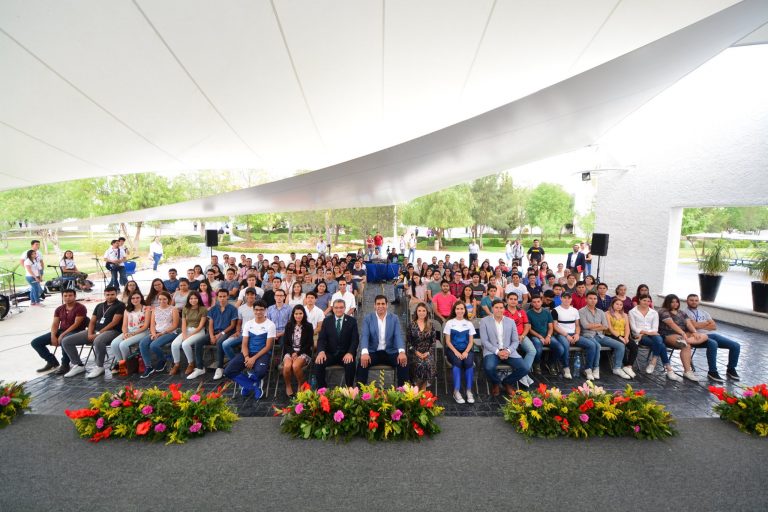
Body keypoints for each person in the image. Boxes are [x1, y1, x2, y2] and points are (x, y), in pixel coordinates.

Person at [62, 287, 125, 378]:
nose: (110, 297)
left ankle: (99, 366)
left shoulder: (120, 305)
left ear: (116, 294)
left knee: (98, 341)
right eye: (107, 294)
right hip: (95, 330)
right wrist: (90, 333)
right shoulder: (99, 306)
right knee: (66, 341)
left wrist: (98, 333)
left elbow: (114, 322)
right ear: (104, 295)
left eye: (112, 294)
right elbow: (92, 321)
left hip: (113, 331)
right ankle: (78, 365)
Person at [225, 299, 275, 399]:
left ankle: (252, 380)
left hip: (262, 354)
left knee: (260, 372)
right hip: (247, 353)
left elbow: (268, 346)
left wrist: (253, 358)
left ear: (265, 310)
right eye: (256, 310)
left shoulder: (270, 325)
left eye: (261, 310)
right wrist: (247, 357)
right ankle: (251, 384)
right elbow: (244, 344)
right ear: (253, 310)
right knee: (228, 371)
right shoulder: (248, 324)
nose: (258, 312)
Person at [684, 293, 740, 382]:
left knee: (735, 345)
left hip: (711, 335)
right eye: (691, 300)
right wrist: (706, 323)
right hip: (697, 337)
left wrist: (699, 325)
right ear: (687, 301)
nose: (694, 302)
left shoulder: (704, 312)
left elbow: (714, 326)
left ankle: (731, 369)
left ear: (698, 302)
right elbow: (693, 325)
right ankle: (712, 372)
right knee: (713, 344)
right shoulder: (684, 313)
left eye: (696, 300)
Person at [480, 299, 531, 397]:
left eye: (501, 308)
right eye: (496, 308)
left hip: (509, 351)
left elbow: (515, 340)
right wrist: (497, 352)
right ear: (492, 309)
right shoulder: (484, 321)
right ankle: (496, 383)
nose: (499, 310)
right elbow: (484, 341)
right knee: (488, 367)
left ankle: (507, 382)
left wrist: (507, 350)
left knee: (525, 368)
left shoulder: (510, 321)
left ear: (504, 309)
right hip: (492, 351)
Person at [30, 288, 87, 374]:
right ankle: (52, 362)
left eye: (70, 295)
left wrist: (62, 335)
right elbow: (55, 324)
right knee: (35, 342)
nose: (67, 298)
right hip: (61, 331)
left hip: (76, 331)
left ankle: (65, 364)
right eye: (65, 296)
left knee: (64, 339)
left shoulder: (80, 308)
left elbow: (76, 324)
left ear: (75, 296)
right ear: (62, 297)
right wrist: (53, 336)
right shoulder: (59, 309)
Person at [356, 295, 409, 386]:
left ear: (387, 305)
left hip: (390, 352)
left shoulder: (394, 318)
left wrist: (401, 351)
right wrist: (364, 352)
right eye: (378, 304)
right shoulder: (368, 318)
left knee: (403, 362)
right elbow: (365, 336)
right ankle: (360, 393)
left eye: (383, 304)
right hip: (374, 352)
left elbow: (398, 336)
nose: (381, 306)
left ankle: (402, 393)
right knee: (362, 363)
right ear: (374, 305)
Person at [628, 294, 682, 382]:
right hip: (639, 335)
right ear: (639, 300)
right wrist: (645, 333)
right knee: (661, 345)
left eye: (648, 301)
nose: (646, 303)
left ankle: (653, 361)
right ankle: (669, 369)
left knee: (658, 340)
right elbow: (634, 328)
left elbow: (655, 328)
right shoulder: (632, 312)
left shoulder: (654, 312)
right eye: (644, 300)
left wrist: (650, 332)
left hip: (652, 334)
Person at [579, 291, 631, 380]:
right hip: (588, 336)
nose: (593, 300)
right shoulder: (581, 311)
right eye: (590, 298)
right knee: (597, 346)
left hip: (600, 336)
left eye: (595, 298)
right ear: (586, 299)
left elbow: (606, 326)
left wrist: (593, 326)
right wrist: (599, 325)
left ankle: (617, 368)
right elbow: (585, 326)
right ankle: (595, 368)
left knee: (620, 345)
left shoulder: (600, 312)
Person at [189, 289, 238, 380]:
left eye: (224, 296)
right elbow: (210, 324)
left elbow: (232, 325)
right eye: (220, 296)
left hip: (227, 332)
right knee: (198, 342)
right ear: (217, 297)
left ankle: (219, 368)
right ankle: (200, 368)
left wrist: (220, 334)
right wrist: (211, 336)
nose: (222, 298)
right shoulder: (213, 309)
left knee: (219, 342)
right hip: (214, 332)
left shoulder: (233, 309)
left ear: (228, 297)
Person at [659, 294, 708, 382]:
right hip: (669, 334)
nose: (675, 304)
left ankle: (687, 340)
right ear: (667, 302)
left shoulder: (682, 312)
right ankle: (687, 372)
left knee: (704, 336)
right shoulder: (663, 311)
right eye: (672, 302)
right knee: (686, 345)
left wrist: (694, 332)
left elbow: (689, 324)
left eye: (677, 302)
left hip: (684, 335)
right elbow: (671, 324)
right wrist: (682, 333)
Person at [315, 299, 359, 388]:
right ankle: (322, 390)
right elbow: (322, 339)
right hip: (330, 354)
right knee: (318, 363)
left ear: (345, 308)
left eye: (341, 307)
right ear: (333, 309)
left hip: (346, 354)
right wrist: (321, 352)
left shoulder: (352, 321)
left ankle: (349, 389)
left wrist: (350, 353)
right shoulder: (327, 321)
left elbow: (355, 340)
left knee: (350, 364)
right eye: (336, 308)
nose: (339, 310)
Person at [137, 291, 179, 377]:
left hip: (169, 332)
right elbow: (152, 324)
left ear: (169, 300)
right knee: (142, 343)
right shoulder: (155, 309)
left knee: (154, 345)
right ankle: (148, 367)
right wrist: (153, 334)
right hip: (156, 332)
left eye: (164, 299)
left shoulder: (173, 309)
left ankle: (163, 359)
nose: (162, 301)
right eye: (160, 299)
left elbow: (175, 325)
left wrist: (161, 333)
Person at [168, 291, 209, 376]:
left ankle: (191, 363)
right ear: (188, 299)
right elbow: (183, 323)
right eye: (191, 298)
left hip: (199, 331)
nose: (193, 300)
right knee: (174, 344)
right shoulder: (185, 309)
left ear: (198, 299)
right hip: (187, 330)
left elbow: (201, 326)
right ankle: (176, 364)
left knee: (185, 344)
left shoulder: (203, 309)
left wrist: (190, 335)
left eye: (195, 298)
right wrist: (184, 334)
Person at [552, 293, 591, 380]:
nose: (566, 300)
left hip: (574, 334)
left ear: (571, 299)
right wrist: (566, 335)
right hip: (561, 334)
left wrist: (577, 334)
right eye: (564, 298)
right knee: (565, 344)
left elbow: (577, 325)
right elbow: (555, 326)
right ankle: (566, 368)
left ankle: (588, 368)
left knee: (591, 345)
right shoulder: (555, 310)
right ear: (561, 299)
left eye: (568, 298)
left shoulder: (575, 310)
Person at [443, 301, 476, 404]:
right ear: (454, 310)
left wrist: (466, 351)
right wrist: (456, 351)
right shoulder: (449, 323)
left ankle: (469, 391)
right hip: (453, 349)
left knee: (468, 363)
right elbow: (447, 341)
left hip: (466, 349)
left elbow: (471, 341)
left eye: (462, 309)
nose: (460, 311)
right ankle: (456, 391)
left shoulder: (469, 323)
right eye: (458, 309)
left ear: (465, 310)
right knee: (457, 362)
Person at [281, 305, 314, 396]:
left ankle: (301, 384)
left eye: (300, 313)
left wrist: (298, 353)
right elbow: (286, 342)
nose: (298, 316)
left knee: (295, 366)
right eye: (296, 314)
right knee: (287, 366)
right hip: (290, 351)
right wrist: (292, 353)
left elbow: (309, 343)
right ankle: (288, 385)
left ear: (304, 314)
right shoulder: (288, 325)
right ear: (293, 314)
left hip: (303, 352)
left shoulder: (308, 326)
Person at [111, 291, 150, 367]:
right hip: (129, 331)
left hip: (142, 331)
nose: (135, 300)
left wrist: (132, 334)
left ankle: (129, 364)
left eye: (137, 298)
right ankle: (121, 364)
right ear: (130, 300)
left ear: (141, 298)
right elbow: (124, 325)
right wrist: (125, 334)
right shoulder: (127, 310)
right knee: (114, 344)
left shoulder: (146, 309)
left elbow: (145, 326)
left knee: (123, 345)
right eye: (133, 298)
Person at [527, 294, 560, 376]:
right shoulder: (528, 313)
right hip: (535, 336)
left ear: (541, 302)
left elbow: (550, 327)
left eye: (538, 301)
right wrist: (540, 337)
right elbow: (529, 329)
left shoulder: (547, 312)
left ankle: (550, 363)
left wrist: (548, 336)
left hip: (548, 335)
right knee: (538, 349)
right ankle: (537, 364)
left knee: (560, 348)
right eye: (534, 302)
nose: (536, 303)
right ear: (531, 303)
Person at [407, 303, 438, 391]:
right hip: (415, 353)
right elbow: (409, 343)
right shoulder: (411, 325)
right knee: (419, 364)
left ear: (427, 312)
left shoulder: (431, 325)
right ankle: (417, 388)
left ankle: (422, 389)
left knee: (427, 364)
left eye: (423, 311)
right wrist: (416, 352)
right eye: (419, 311)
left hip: (427, 353)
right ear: (416, 312)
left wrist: (427, 353)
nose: (421, 313)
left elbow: (433, 343)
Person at [605, 297, 637, 378]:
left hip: (623, 335)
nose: (619, 306)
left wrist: (626, 337)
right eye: (617, 304)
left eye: (621, 305)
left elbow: (627, 328)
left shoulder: (624, 315)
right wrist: (620, 337)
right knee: (622, 344)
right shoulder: (607, 314)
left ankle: (628, 366)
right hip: (611, 334)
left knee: (634, 346)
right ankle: (625, 364)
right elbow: (610, 328)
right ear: (612, 304)